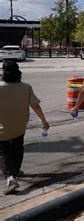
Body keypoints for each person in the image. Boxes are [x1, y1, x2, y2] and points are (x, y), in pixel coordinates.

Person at [0, 61, 49, 195]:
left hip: (2, 128)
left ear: (3, 72)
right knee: (17, 147)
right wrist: (43, 120)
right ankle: (15, 171)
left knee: (3, 152)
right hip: (20, 126)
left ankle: (11, 178)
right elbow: (35, 106)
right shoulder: (26, 87)